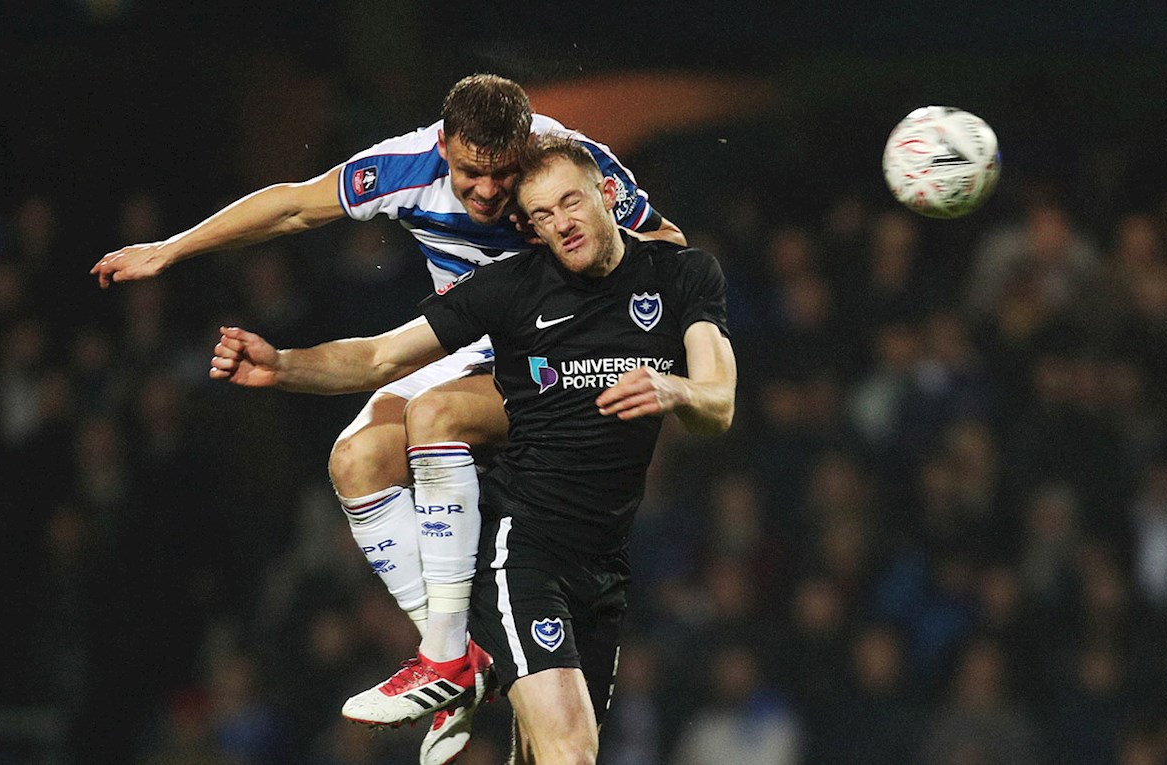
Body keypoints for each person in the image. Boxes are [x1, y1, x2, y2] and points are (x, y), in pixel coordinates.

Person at [91, 75, 684, 761]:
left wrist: (612, 310)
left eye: (502, 174)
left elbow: (669, 250)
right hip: (476, 350)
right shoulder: (407, 168)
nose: (488, 192)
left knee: (436, 414)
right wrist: (172, 248)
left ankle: (445, 658)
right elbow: (294, 206)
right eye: (471, 173)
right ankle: (459, 656)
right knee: (356, 459)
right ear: (444, 146)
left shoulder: (567, 171)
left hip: (568, 369)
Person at [209, 136, 736, 765]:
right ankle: (447, 651)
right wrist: (283, 366)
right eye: (542, 215)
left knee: (551, 754)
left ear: (607, 192)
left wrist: (675, 388)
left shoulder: (683, 275)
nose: (562, 224)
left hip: (604, 560)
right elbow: (380, 357)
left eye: (571, 203)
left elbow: (719, 405)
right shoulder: (512, 288)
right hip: (521, 550)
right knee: (569, 750)